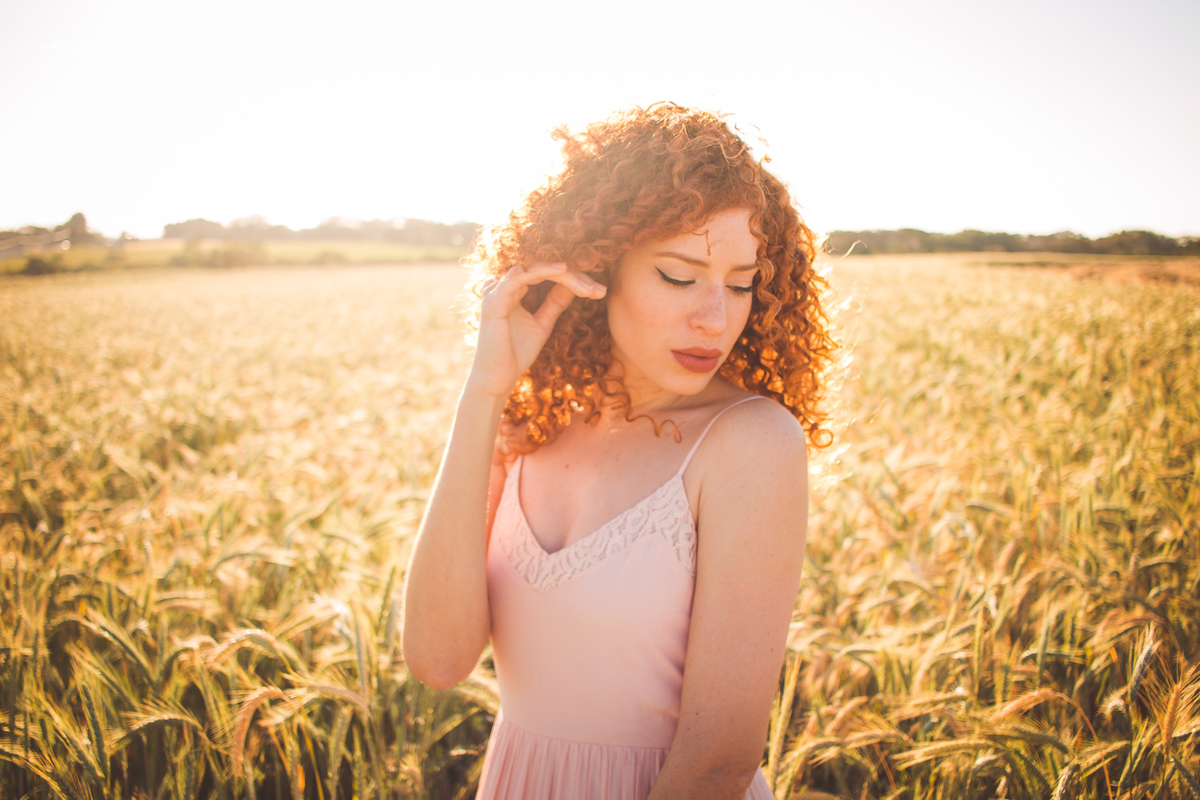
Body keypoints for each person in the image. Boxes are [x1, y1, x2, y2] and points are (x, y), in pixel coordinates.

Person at [402, 103, 835, 800]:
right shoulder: (527, 426)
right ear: (598, 268)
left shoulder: (751, 443)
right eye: (679, 275)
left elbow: (719, 761)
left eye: (740, 284)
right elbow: (437, 659)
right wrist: (485, 393)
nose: (715, 318)